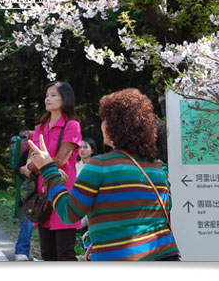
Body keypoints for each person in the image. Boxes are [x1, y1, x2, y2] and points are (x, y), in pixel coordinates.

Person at [28, 88, 181, 261]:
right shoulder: (159, 168)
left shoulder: (99, 167)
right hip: (165, 255)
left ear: (113, 126)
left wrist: (48, 169)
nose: (102, 125)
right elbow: (157, 213)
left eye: (104, 120)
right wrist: (103, 238)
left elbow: (68, 213)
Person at [26, 81, 82, 261]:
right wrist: (38, 164)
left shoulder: (72, 125)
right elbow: (31, 160)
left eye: (53, 95)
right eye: (46, 95)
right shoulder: (40, 128)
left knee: (65, 253)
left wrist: (36, 164)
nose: (47, 99)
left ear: (65, 98)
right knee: (47, 254)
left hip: (64, 193)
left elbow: (61, 160)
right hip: (43, 193)